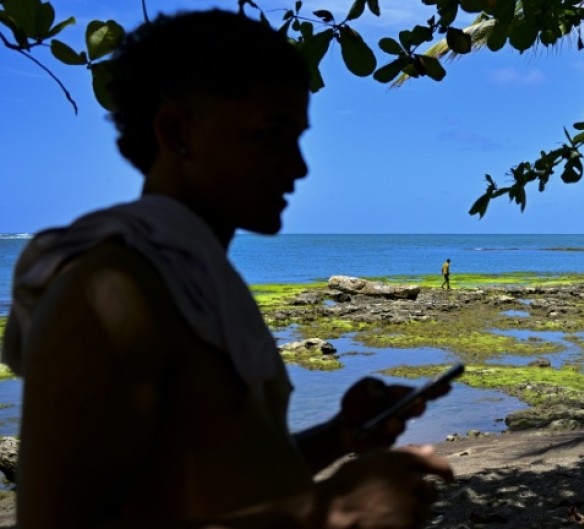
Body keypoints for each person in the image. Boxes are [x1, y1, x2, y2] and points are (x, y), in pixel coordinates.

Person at [1, 9, 452, 529]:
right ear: (176, 131)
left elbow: (215, 483)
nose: (299, 166)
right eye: (272, 133)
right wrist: (331, 512)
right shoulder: (111, 293)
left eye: (298, 136)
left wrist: (337, 437)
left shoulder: (197, 284)